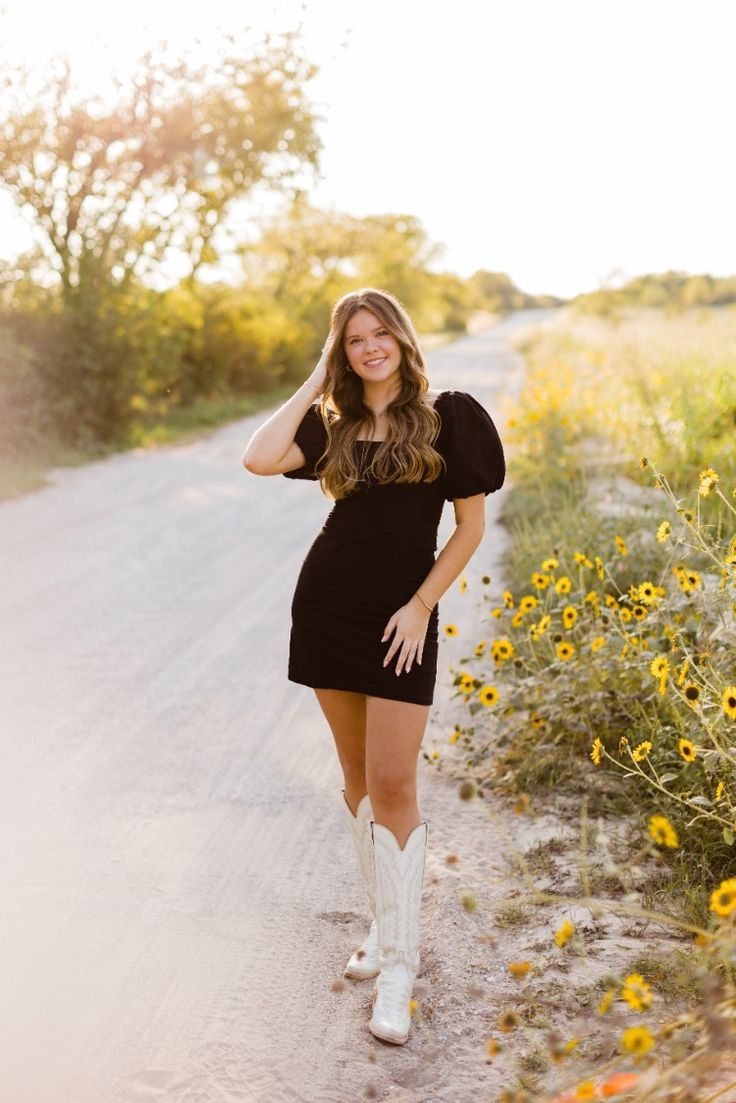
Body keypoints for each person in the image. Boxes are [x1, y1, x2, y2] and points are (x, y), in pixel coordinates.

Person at [243, 287, 505, 1045]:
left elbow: (471, 525)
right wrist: (316, 379)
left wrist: (421, 605)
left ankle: (400, 965)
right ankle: (384, 927)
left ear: (401, 336)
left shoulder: (451, 415)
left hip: (400, 619)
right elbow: (258, 456)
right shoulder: (338, 425)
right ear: (343, 352)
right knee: (357, 782)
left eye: (378, 332)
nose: (369, 347)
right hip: (326, 609)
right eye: (353, 339)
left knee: (394, 783)